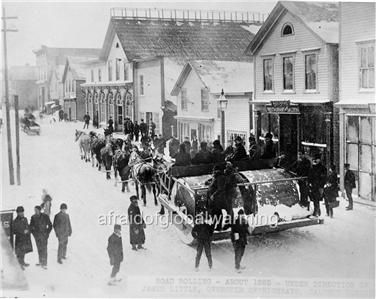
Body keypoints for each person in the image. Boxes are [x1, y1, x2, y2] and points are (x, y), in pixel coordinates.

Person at [207, 165, 226, 230]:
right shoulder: (217, 177)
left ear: (217, 170)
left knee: (216, 212)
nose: (213, 172)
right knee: (216, 212)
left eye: (214, 170)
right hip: (214, 198)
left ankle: (215, 226)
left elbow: (220, 188)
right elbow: (214, 184)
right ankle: (217, 226)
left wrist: (213, 195)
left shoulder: (220, 177)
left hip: (217, 199)